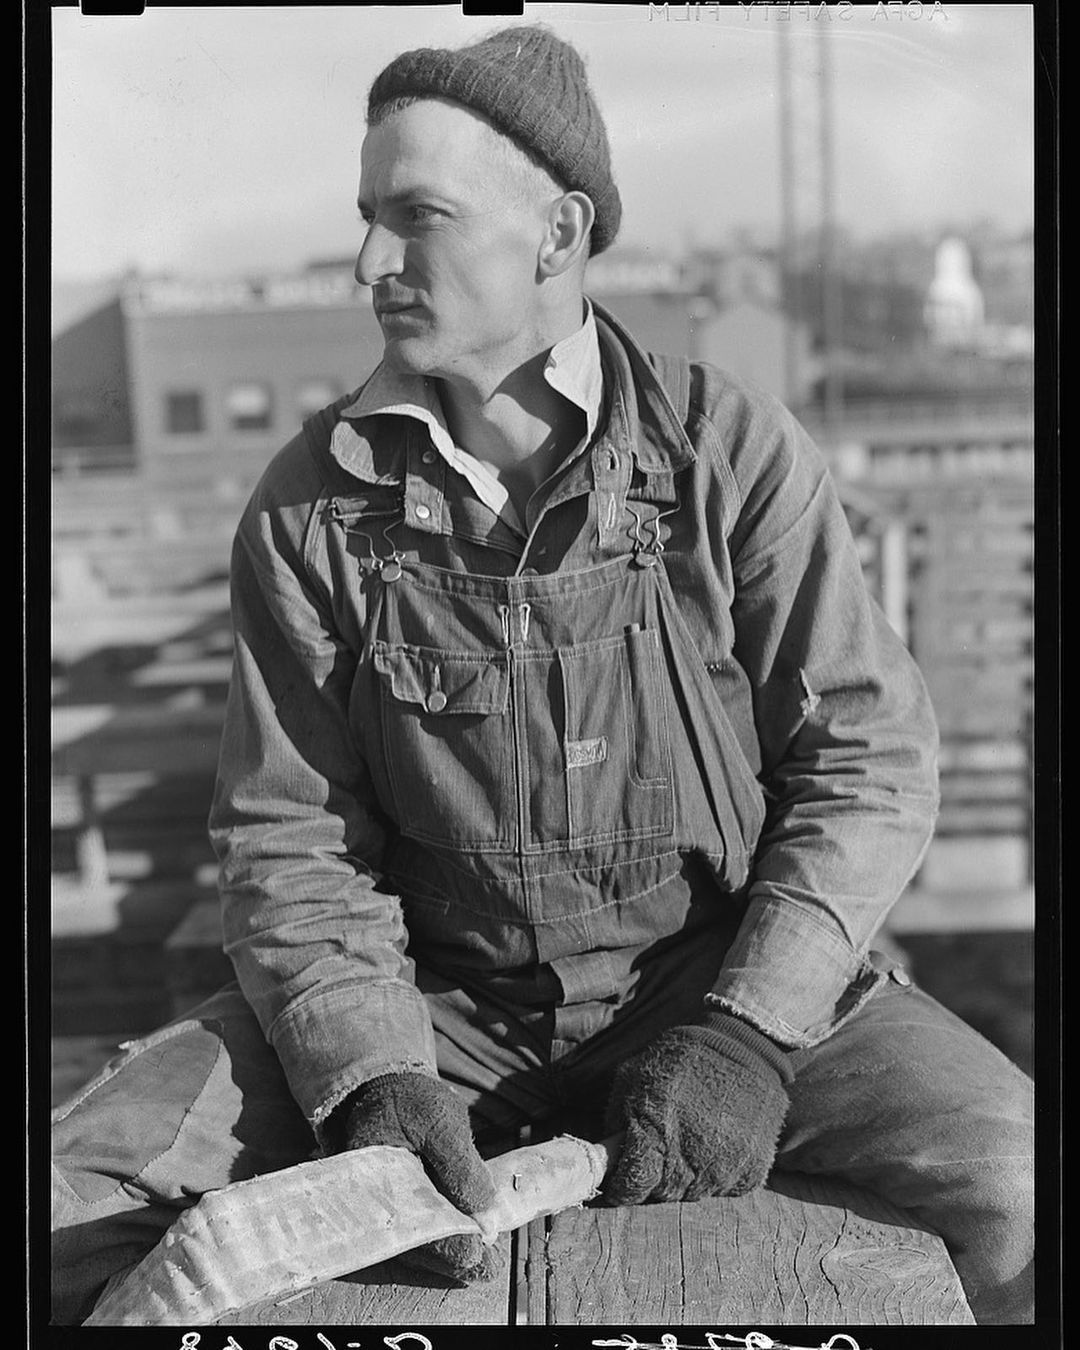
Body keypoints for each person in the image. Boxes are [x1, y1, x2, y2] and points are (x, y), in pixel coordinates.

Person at [50, 23, 1034, 1326]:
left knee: (1021, 1182)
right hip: (431, 1005)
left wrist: (751, 1027)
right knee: (69, 1199)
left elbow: (865, 758)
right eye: (365, 216)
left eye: (419, 216)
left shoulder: (725, 457)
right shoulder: (312, 506)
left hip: (710, 971)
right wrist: (368, 1073)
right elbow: (287, 837)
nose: (367, 261)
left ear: (558, 233)